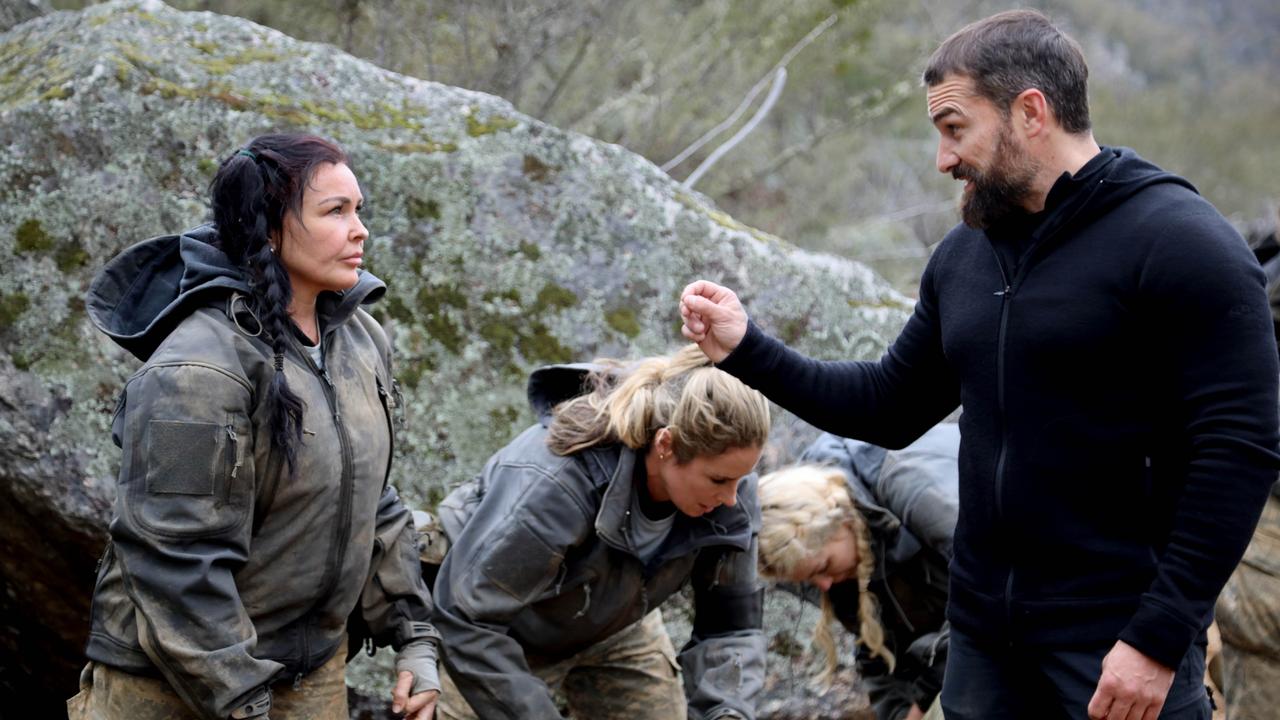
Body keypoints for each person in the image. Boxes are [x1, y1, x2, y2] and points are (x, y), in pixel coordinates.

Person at [679, 9, 1280, 720]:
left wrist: (1157, 636)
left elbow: (1240, 451)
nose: (943, 159)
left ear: (1031, 112)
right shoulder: (965, 254)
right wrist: (748, 348)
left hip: (1116, 643)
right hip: (985, 647)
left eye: (955, 128)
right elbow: (888, 406)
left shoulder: (1180, 243)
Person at [70, 134, 440, 720]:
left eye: (358, 210)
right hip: (173, 688)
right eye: (335, 211)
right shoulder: (197, 371)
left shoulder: (361, 340)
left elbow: (372, 497)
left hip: (311, 672)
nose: (360, 230)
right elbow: (173, 558)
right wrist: (243, 701)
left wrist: (415, 639)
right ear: (269, 228)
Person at [430, 345, 770, 720]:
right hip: (500, 637)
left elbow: (731, 627)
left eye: (742, 478)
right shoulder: (555, 483)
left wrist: (728, 712)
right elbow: (467, 617)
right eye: (718, 479)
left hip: (616, 625)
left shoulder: (732, 498)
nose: (731, 499)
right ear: (666, 446)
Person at [759, 424, 958, 720]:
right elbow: (876, 652)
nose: (824, 585)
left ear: (843, 523)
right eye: (809, 581)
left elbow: (989, 589)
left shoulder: (913, 485)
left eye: (823, 568)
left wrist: (924, 700)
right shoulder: (847, 560)